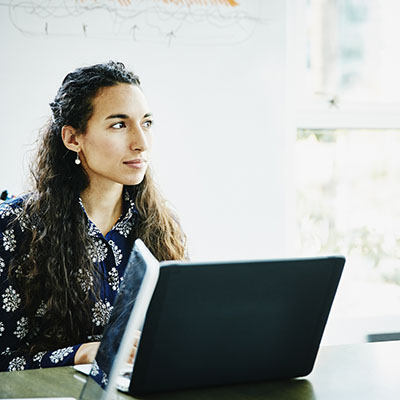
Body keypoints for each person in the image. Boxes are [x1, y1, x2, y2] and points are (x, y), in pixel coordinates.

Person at [0, 61, 186, 372]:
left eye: (147, 123)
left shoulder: (160, 225)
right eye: (119, 124)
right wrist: (83, 353)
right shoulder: (15, 227)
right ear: (73, 139)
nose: (141, 142)